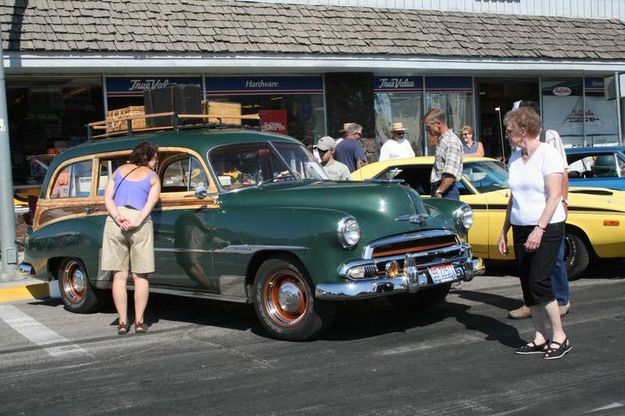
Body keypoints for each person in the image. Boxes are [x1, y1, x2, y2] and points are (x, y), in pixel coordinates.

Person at [497, 107, 571, 360]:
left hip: (547, 226)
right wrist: (504, 229)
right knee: (528, 284)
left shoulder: (548, 154)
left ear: (523, 130)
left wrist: (539, 229)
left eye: (509, 131)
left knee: (540, 281)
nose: (506, 135)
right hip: (520, 225)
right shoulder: (515, 158)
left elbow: (555, 196)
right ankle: (540, 337)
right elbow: (514, 198)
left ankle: (560, 336)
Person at [508, 100, 571, 319]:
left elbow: (563, 173)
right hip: (525, 220)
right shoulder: (516, 153)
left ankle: (561, 300)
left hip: (549, 217)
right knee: (530, 275)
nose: (508, 133)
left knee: (552, 263)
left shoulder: (550, 140)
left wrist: (564, 200)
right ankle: (534, 307)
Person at [102, 142, 161, 335]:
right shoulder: (152, 177)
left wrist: (118, 216)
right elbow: (150, 203)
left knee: (119, 276)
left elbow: (108, 198)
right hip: (139, 222)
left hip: (115, 222)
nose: (156, 162)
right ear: (149, 158)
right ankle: (139, 322)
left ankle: (122, 322)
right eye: (155, 159)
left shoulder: (119, 171)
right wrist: (136, 222)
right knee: (140, 276)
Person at [425, 108, 463, 200]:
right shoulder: (442, 140)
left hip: (447, 193)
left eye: (428, 126)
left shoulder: (451, 142)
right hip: (441, 190)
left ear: (438, 124)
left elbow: (450, 174)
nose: (427, 130)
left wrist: (439, 191)